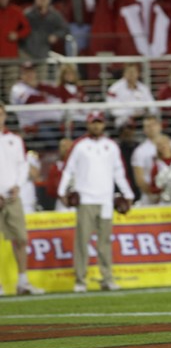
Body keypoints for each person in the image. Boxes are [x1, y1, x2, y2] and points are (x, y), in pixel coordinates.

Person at [57, 110, 135, 292]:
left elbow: (119, 173)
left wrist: (128, 193)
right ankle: (80, 280)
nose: (96, 125)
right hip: (86, 199)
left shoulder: (111, 146)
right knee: (82, 241)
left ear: (104, 124)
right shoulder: (80, 146)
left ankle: (107, 278)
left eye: (99, 122)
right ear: (88, 124)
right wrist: (62, 191)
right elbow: (69, 170)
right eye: (93, 122)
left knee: (105, 242)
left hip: (106, 200)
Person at [0, 101, 44, 296]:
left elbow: (22, 165)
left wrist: (17, 185)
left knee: (21, 239)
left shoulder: (15, 140)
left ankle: (23, 281)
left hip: (12, 196)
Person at [131, 115, 171, 202]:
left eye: (153, 124)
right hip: (151, 197)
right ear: (144, 130)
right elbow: (139, 178)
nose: (151, 128)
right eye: (148, 126)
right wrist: (153, 194)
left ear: (160, 126)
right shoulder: (140, 151)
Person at [0, 0, 30, 102]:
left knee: (10, 88)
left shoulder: (16, 11)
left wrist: (17, 35)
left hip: (11, 57)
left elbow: (27, 28)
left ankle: (11, 117)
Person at [106, 63, 156, 130]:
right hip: (124, 118)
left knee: (152, 123)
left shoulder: (144, 89)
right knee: (124, 123)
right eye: (129, 72)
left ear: (138, 73)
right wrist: (131, 112)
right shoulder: (114, 89)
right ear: (124, 74)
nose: (131, 74)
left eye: (133, 72)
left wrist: (147, 110)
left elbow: (153, 107)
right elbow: (112, 109)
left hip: (142, 118)